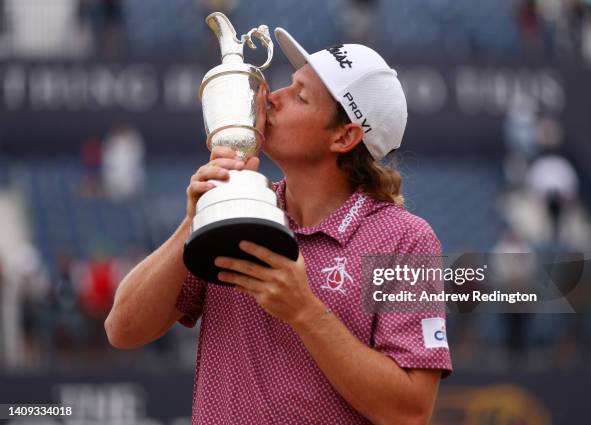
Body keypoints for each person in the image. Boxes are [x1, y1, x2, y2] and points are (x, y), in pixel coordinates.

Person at [105, 28, 452, 424]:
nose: (272, 97)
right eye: (289, 84)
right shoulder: (235, 208)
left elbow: (411, 412)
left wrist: (305, 312)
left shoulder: (407, 239)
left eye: (300, 95)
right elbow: (123, 330)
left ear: (344, 136)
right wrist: (193, 221)